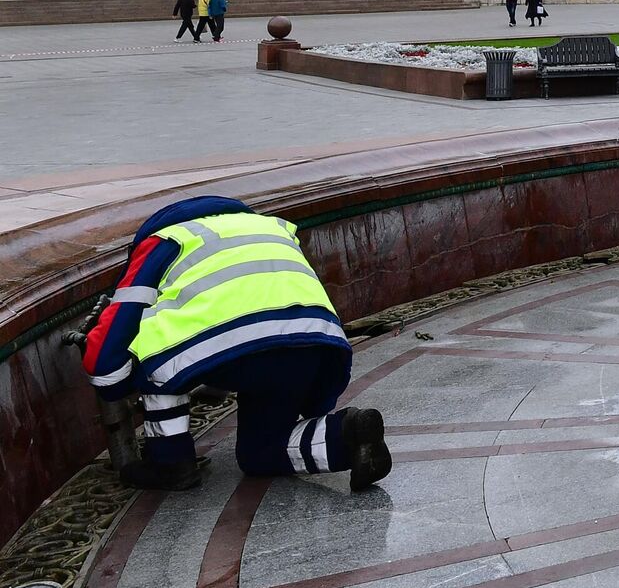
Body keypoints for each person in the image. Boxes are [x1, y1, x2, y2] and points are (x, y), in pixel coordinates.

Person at [80, 195, 391, 491]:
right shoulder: (273, 228)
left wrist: (116, 383)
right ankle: (348, 435)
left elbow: (111, 349)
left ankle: (170, 462)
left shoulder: (162, 241)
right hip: (313, 346)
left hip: (233, 351)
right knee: (261, 452)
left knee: (149, 349)